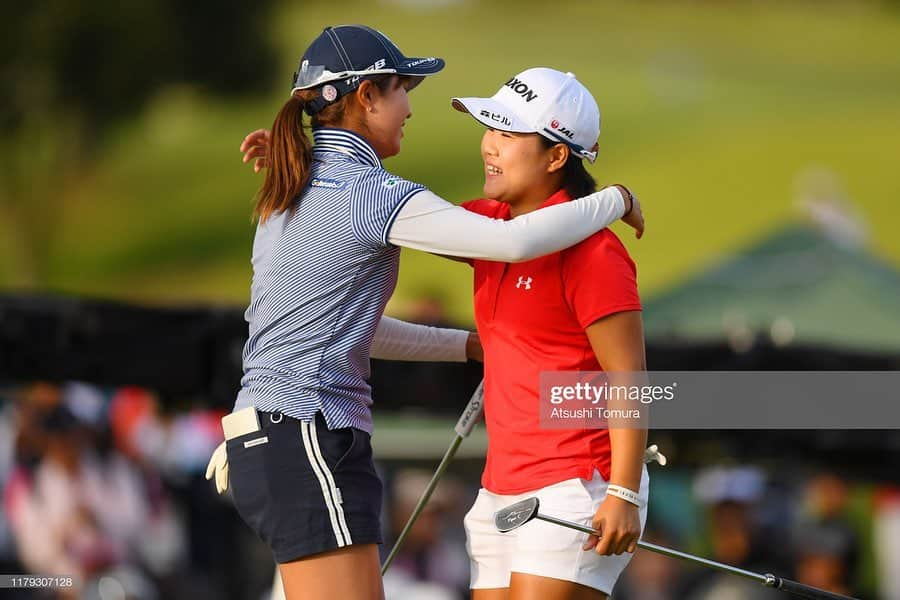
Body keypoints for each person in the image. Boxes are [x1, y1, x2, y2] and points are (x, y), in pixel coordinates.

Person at [211, 25, 645, 600]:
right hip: (310, 435)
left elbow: (351, 331)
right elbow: (514, 241)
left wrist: (465, 346)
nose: (411, 107)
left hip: (272, 439)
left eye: (506, 129)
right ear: (367, 97)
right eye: (402, 89)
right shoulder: (376, 195)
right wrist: (615, 199)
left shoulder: (292, 184)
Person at [452, 68, 650, 600]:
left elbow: (628, 376)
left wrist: (624, 491)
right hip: (499, 488)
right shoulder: (487, 227)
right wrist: (301, 163)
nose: (488, 146)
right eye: (489, 129)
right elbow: (383, 213)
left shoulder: (596, 254)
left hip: (577, 485)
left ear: (557, 156)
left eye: (508, 134)